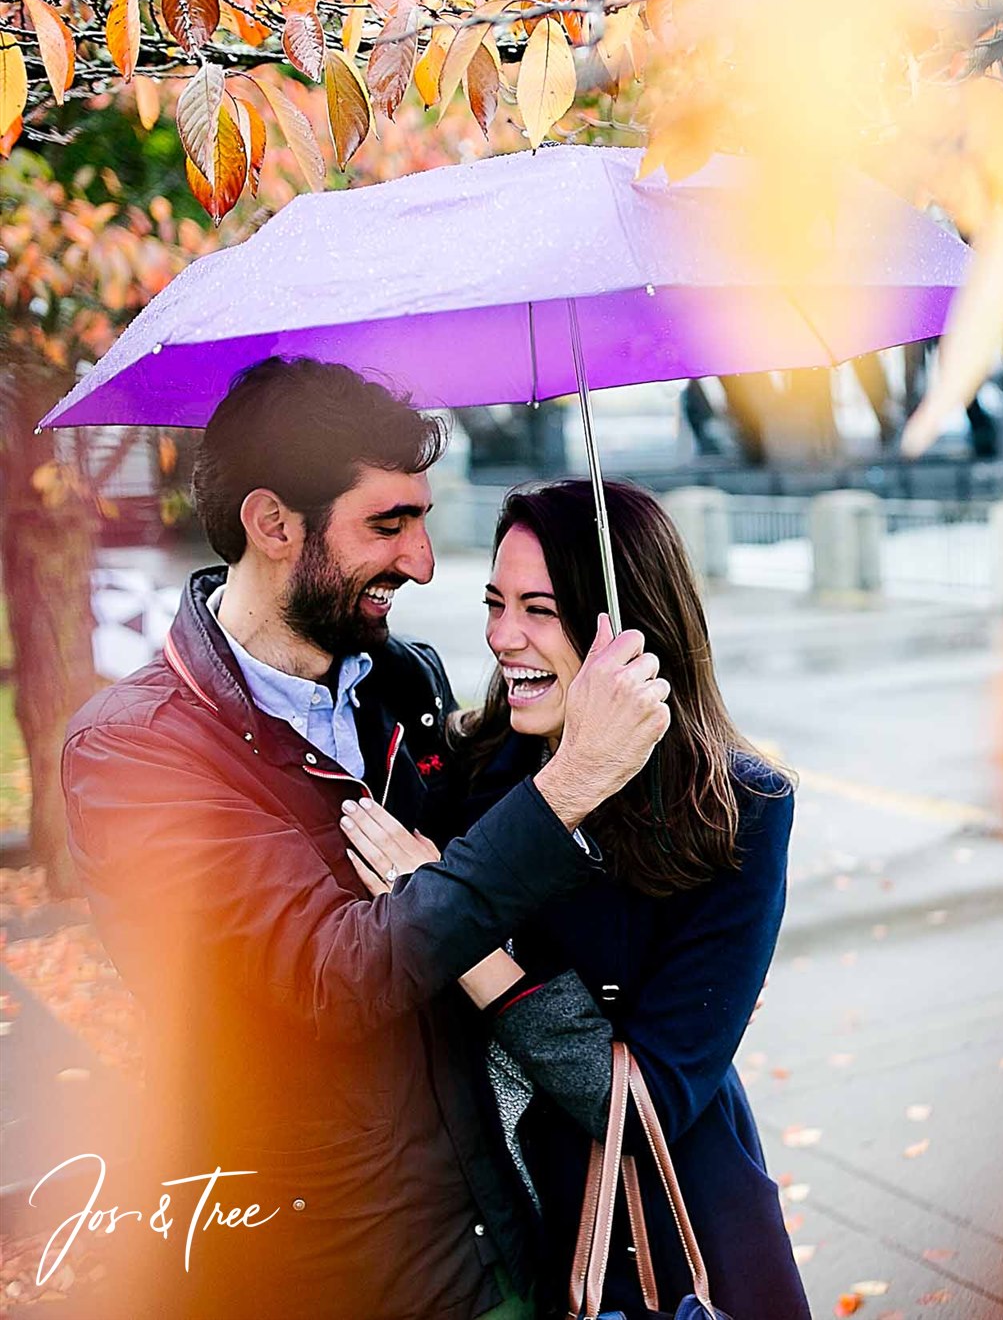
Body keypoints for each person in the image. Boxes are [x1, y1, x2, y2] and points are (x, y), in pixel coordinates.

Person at [59, 358, 672, 1320]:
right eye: (388, 525)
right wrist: (568, 787)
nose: (424, 563)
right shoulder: (136, 758)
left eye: (423, 521)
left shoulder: (406, 688)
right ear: (274, 525)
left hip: (497, 1242)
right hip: (327, 1269)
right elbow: (326, 978)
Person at [342, 479, 810, 1319]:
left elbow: (646, 1105)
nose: (501, 637)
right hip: (505, 1236)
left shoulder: (737, 813)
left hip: (668, 1242)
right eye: (494, 603)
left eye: (539, 610)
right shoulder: (471, 768)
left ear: (625, 630)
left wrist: (465, 938)